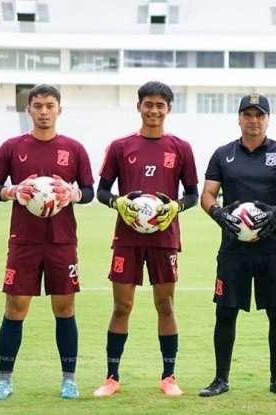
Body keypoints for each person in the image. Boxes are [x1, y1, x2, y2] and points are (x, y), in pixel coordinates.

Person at [0, 84, 95, 401]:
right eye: (38, 106)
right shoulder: (11, 147)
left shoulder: (74, 149)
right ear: (28, 110)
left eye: (50, 105)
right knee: (15, 308)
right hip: (24, 242)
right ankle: (4, 380)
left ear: (60, 109)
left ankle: (69, 380)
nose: (44, 111)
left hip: (62, 241)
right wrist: (12, 191)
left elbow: (88, 191)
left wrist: (72, 193)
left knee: (65, 307)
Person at [94, 81, 198, 397]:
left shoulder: (181, 148)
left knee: (165, 304)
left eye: (160, 105)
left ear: (168, 109)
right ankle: (111, 377)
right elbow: (101, 191)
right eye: (148, 104)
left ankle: (169, 376)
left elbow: (192, 194)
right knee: (121, 306)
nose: (154, 110)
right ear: (139, 106)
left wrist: (176, 206)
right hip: (126, 237)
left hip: (165, 237)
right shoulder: (120, 146)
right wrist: (118, 202)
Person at [198, 94, 276, 398]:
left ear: (268, 119)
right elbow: (207, 194)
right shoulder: (223, 154)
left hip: (273, 247)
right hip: (234, 247)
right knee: (225, 312)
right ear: (239, 118)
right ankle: (220, 379)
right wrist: (218, 213)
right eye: (247, 114)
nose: (253, 120)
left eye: (259, 115)